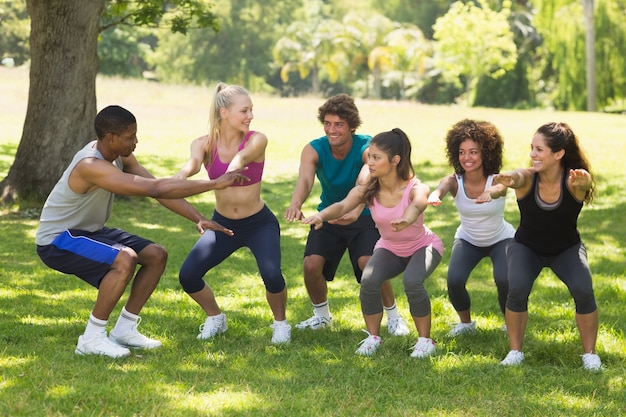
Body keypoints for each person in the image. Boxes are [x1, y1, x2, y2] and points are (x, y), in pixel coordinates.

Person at [35, 105, 247, 358]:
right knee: (125, 257)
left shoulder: (119, 156)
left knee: (156, 255)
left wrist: (198, 217)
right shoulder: (90, 165)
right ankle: (91, 338)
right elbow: (156, 189)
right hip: (57, 239)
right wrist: (213, 184)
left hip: (89, 231)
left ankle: (125, 329)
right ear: (111, 138)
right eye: (130, 137)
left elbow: (157, 188)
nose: (136, 141)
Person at [302, 128, 443, 357]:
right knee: (369, 280)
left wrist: (406, 219)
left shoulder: (415, 186)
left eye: (376, 158)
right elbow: (342, 205)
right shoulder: (369, 189)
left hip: (422, 246)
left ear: (395, 160)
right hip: (390, 247)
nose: (370, 163)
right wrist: (321, 216)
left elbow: (418, 204)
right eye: (370, 158)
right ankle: (373, 337)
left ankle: (425, 341)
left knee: (412, 281)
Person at [284, 94, 409, 337]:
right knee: (311, 265)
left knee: (369, 264)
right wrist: (296, 203)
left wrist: (355, 206)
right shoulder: (314, 148)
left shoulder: (367, 146)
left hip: (363, 216)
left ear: (351, 125)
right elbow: (306, 179)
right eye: (327, 123)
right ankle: (321, 317)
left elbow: (367, 174)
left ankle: (394, 316)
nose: (332, 130)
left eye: (339, 124)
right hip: (329, 215)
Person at [175, 83, 291, 345]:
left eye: (251, 110)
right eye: (244, 111)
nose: (250, 116)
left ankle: (281, 323)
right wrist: (178, 178)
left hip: (259, 223)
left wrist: (230, 170)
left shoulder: (257, 139)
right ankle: (215, 317)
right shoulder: (203, 144)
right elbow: (191, 166)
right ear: (224, 112)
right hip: (223, 225)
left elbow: (242, 158)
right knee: (188, 276)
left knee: (272, 275)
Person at [493, 122, 601, 371]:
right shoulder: (527, 178)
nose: (532, 154)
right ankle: (515, 351)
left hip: (566, 248)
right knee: (517, 288)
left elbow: (583, 185)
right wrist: (501, 186)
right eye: (532, 148)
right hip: (526, 247)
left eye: (539, 149)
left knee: (583, 290)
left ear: (558, 153)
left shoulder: (574, 180)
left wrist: (585, 181)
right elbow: (516, 177)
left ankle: (590, 355)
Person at [427, 119, 515, 336]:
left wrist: (489, 193)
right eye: (462, 152)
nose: (467, 158)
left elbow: (501, 189)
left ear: (486, 152)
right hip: (468, 239)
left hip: (500, 238)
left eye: (473, 152)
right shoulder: (455, 180)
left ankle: (510, 322)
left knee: (504, 279)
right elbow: (442, 188)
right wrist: (434, 196)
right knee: (454, 280)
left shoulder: (497, 179)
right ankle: (466, 324)